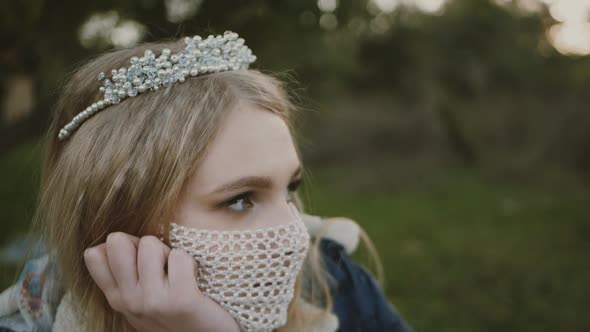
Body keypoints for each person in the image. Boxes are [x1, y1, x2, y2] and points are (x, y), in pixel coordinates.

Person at [0, 31, 412, 332]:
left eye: (290, 189)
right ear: (117, 218)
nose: (294, 238)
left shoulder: (334, 283)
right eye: (240, 199)